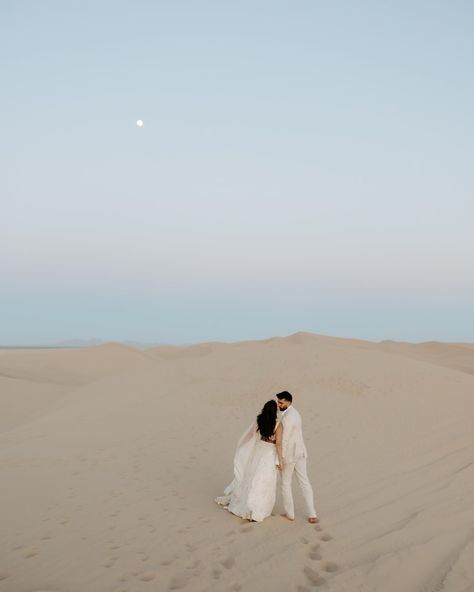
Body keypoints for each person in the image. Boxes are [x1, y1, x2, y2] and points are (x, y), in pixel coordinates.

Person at [215, 400, 283, 522]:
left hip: (258, 451)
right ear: (275, 411)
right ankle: (257, 508)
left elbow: (252, 434)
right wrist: (280, 460)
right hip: (269, 454)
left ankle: (245, 504)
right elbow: (278, 444)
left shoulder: (259, 420)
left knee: (252, 477)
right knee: (264, 480)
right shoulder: (278, 425)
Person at [276, 391, 319, 524]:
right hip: (300, 452)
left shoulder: (287, 417)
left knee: (285, 483)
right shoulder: (295, 413)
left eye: (281, 402)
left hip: (290, 455)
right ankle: (312, 514)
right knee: (304, 482)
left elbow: (285, 440)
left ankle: (290, 514)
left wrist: (281, 458)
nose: (278, 404)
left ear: (288, 402)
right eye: (278, 402)